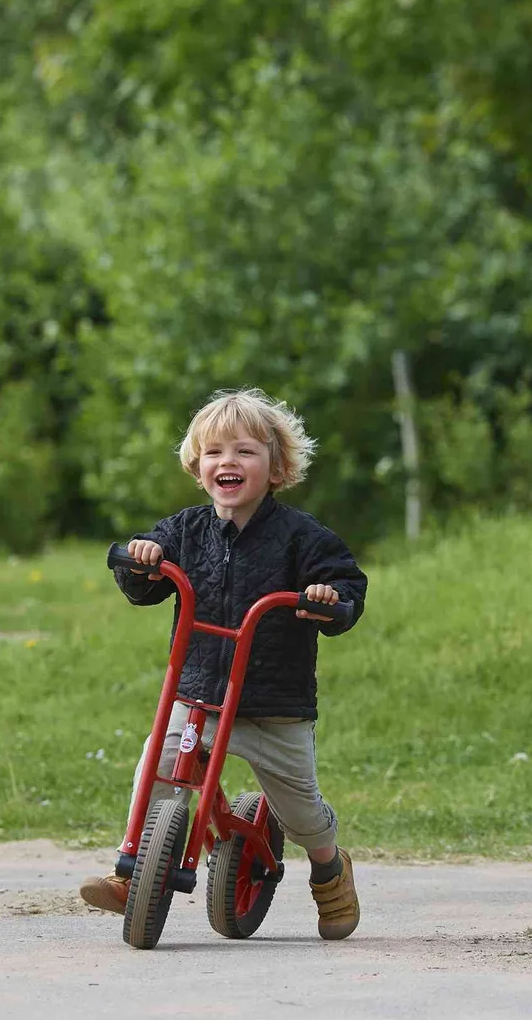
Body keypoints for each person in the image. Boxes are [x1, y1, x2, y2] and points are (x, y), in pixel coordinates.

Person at [78, 387, 367, 940]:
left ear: (276, 467)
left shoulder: (300, 537)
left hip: (271, 705)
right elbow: (144, 582)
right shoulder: (185, 531)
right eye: (213, 453)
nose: (227, 462)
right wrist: (142, 561)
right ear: (197, 466)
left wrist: (328, 600)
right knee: (156, 773)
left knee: (300, 811)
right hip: (198, 697)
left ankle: (330, 868)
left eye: (244, 452)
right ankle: (132, 874)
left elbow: (345, 584)